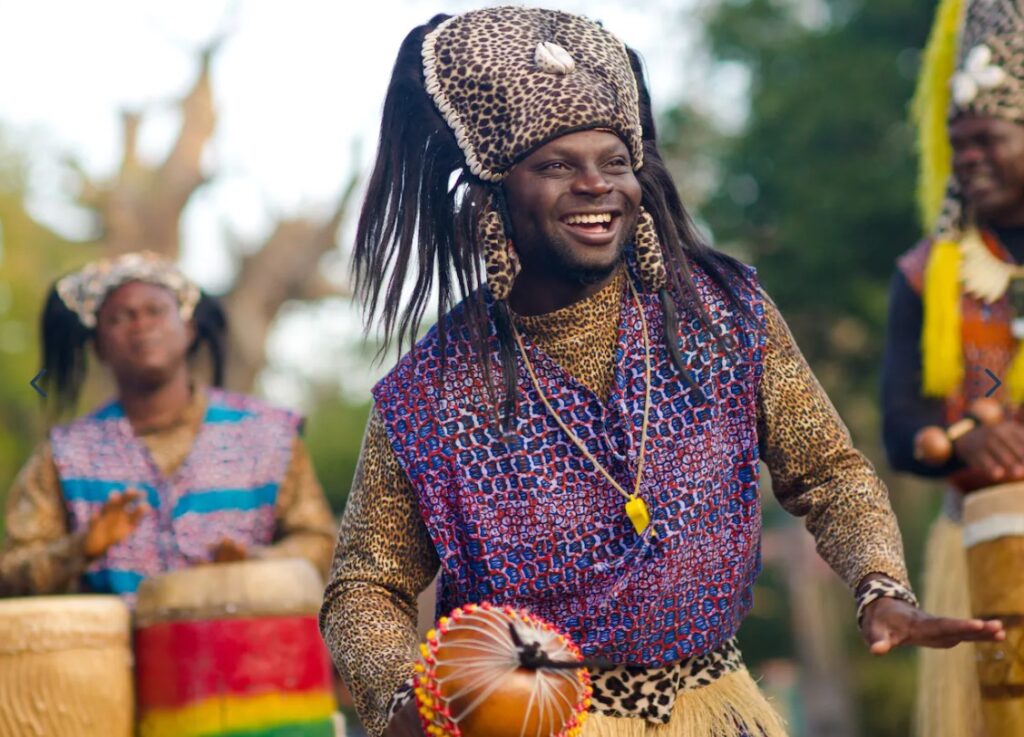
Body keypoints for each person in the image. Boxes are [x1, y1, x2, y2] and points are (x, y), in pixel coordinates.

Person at [321, 8, 1004, 737]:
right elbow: (366, 582)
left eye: (615, 162)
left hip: (719, 710)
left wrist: (880, 586)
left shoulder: (724, 313)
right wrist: (401, 699)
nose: (596, 185)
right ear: (494, 195)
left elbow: (830, 470)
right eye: (556, 165)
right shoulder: (433, 389)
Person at [0, 252, 337, 602]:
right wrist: (79, 549)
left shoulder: (269, 436)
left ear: (188, 328)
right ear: (98, 346)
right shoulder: (63, 455)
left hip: (249, 650)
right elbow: (11, 573)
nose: (141, 324)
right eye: (119, 317)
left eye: (155, 310)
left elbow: (321, 543)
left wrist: (259, 563)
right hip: (117, 656)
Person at [882, 1, 1024, 735]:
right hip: (972, 543)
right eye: (956, 144)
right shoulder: (923, 275)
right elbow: (899, 425)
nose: (969, 159)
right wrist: (962, 440)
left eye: (988, 139)